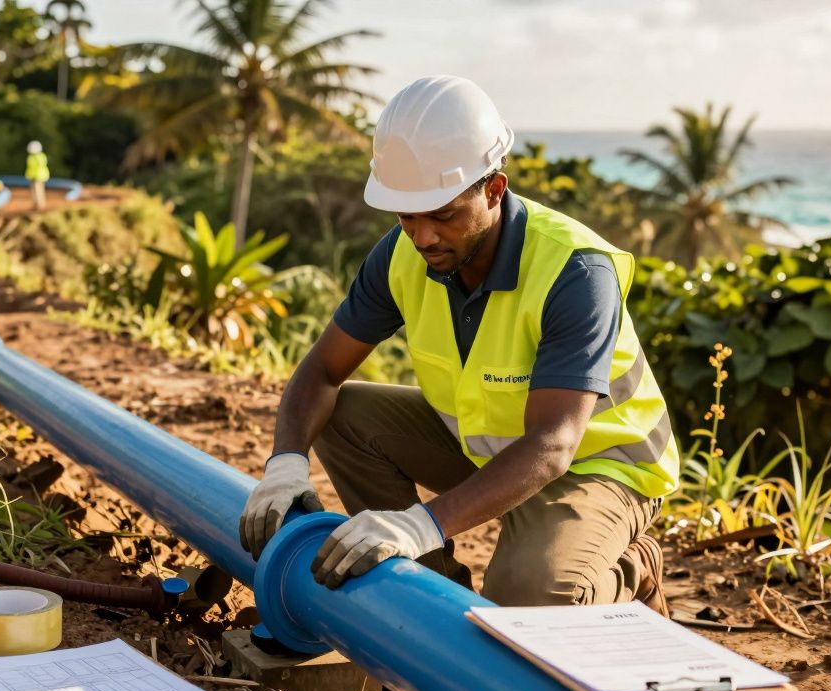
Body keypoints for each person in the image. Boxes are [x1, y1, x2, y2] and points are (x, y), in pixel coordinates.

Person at [237, 75, 679, 617]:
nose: (423, 236)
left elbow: (555, 443)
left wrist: (421, 523)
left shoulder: (574, 270)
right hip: (488, 447)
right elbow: (322, 374)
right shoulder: (402, 254)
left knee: (528, 597)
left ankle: (634, 570)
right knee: (345, 414)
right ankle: (430, 596)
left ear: (494, 190)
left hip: (598, 464)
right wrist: (284, 464)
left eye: (443, 214)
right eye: (406, 215)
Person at [25, 140, 50, 210]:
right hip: (33, 177)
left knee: (38, 190)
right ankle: (36, 204)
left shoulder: (40, 157)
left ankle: (40, 205)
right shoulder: (31, 157)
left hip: (39, 177)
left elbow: (41, 167)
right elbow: (30, 168)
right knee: (34, 191)